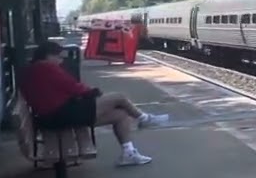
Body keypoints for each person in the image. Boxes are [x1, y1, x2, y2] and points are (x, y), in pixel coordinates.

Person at [19, 41, 168, 166]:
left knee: (120, 115)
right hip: (61, 115)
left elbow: (60, 90)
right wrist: (94, 92)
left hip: (52, 117)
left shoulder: (32, 70)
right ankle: (144, 119)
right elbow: (73, 87)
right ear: (48, 56)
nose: (61, 61)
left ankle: (128, 153)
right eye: (58, 57)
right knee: (118, 97)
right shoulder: (46, 68)